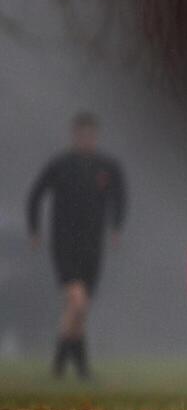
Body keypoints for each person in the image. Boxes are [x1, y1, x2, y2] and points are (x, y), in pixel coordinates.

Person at [26, 111, 127, 380]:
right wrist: (34, 229)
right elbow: (35, 195)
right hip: (64, 245)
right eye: (81, 135)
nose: (86, 140)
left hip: (93, 246)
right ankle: (68, 366)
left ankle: (71, 368)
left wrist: (117, 227)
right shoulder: (60, 165)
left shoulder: (107, 167)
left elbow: (120, 196)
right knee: (78, 303)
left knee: (78, 311)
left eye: (90, 135)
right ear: (74, 136)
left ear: (96, 136)